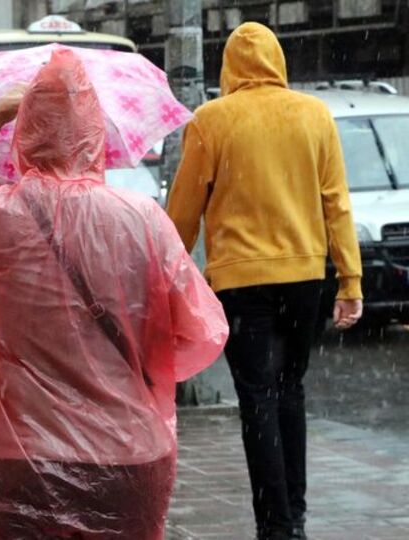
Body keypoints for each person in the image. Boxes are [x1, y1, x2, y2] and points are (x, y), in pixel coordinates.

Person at [0, 49, 228, 540]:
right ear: (95, 134)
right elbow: (200, 331)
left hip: (21, 455)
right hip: (129, 453)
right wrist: (131, 370)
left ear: (26, 132)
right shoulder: (143, 219)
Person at [166, 23, 363, 540]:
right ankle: (294, 514)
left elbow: (183, 212)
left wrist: (167, 274)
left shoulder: (212, 121)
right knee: (290, 390)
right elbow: (335, 203)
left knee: (256, 398)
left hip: (240, 283)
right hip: (305, 277)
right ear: (278, 60)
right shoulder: (314, 115)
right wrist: (350, 281)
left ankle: (275, 525)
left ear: (228, 67)